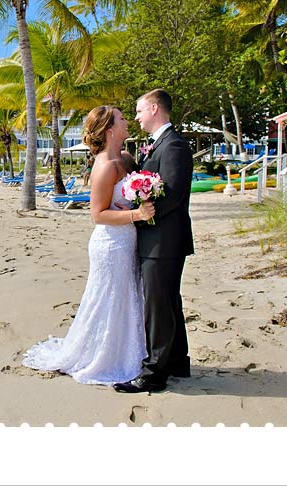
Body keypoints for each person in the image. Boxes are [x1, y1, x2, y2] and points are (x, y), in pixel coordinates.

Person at [22, 106, 155, 384]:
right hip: (110, 244)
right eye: (121, 119)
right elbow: (98, 214)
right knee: (108, 299)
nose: (127, 121)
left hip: (128, 240)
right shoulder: (104, 166)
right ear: (109, 130)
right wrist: (137, 214)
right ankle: (105, 356)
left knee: (128, 297)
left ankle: (130, 351)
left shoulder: (127, 160)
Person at [113, 88, 194, 394]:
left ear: (154, 109)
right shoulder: (161, 145)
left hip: (164, 240)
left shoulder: (173, 146)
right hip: (162, 240)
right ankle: (176, 362)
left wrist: (139, 212)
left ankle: (153, 374)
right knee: (169, 302)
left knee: (158, 306)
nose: (136, 117)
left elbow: (171, 196)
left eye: (139, 111)